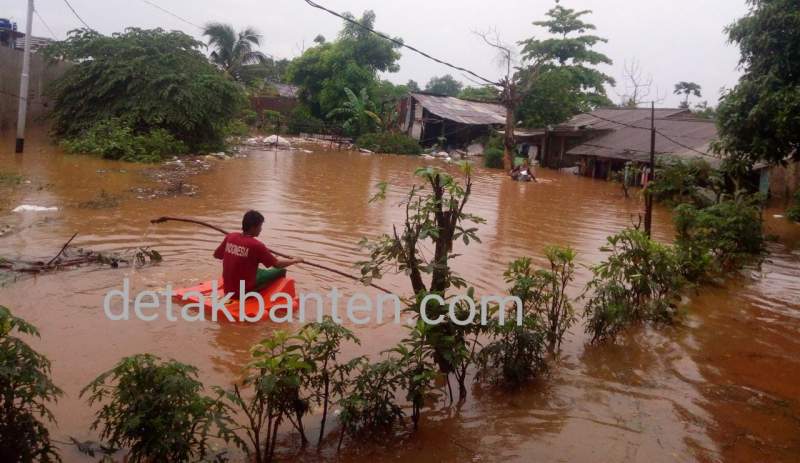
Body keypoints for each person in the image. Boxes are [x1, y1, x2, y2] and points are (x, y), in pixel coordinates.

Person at [213, 210, 303, 298]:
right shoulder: (256, 245)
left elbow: (217, 255)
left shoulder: (230, 237)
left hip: (228, 289)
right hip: (242, 292)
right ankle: (272, 297)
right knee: (281, 271)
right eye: (260, 226)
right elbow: (278, 265)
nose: (261, 229)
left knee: (257, 269)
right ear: (253, 227)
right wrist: (295, 260)